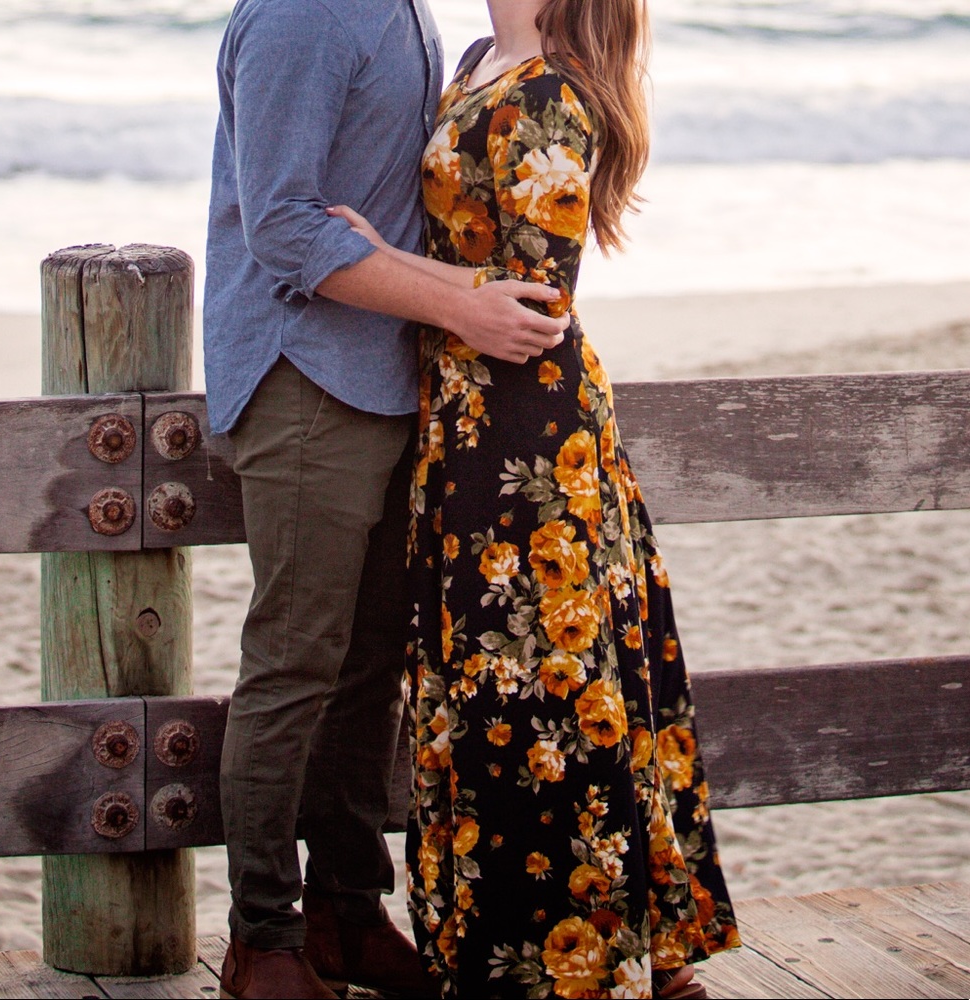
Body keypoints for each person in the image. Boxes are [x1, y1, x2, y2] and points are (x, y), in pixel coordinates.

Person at [329, 1, 742, 997]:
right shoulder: (477, 60)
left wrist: (372, 262)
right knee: (504, 681)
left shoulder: (552, 92)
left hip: (525, 436)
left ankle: (582, 951)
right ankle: (533, 944)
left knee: (546, 686)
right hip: (460, 422)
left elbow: (529, 307)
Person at [203, 2, 571, 998]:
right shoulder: (308, 11)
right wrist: (459, 302)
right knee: (295, 662)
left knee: (372, 670)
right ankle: (262, 941)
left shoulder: (406, 10)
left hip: (386, 377)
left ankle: (346, 915)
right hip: (302, 380)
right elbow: (280, 222)